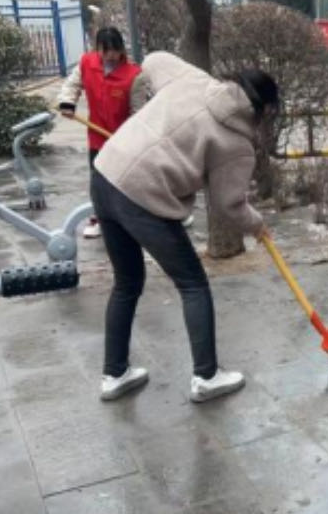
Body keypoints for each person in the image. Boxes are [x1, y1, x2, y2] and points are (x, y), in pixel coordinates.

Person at [90, 51, 279, 403]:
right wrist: (257, 225)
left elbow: (154, 59)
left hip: (104, 175)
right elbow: (230, 204)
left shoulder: (193, 80)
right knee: (193, 284)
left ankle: (114, 374)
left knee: (127, 282)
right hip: (144, 196)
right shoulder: (237, 144)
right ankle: (206, 376)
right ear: (264, 110)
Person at [57, 27, 141, 239]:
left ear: (122, 49)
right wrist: (68, 103)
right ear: (98, 49)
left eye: (115, 50)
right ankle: (100, 219)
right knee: (99, 181)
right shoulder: (87, 63)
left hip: (123, 138)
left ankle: (130, 218)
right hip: (97, 137)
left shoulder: (133, 74)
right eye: (106, 51)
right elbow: (72, 84)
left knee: (124, 180)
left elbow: (138, 109)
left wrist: (133, 134)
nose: (111, 56)